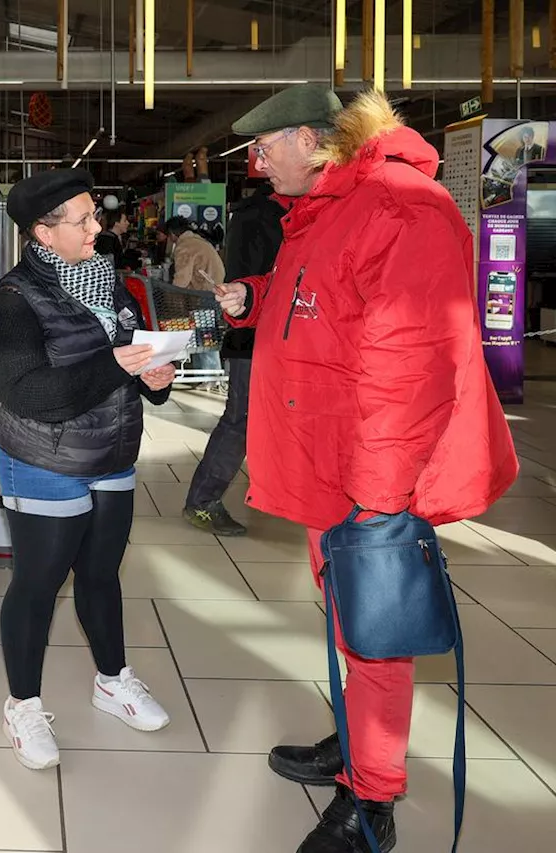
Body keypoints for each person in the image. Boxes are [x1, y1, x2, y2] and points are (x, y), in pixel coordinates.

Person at [215, 86, 517, 853]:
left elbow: (411, 365)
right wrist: (251, 298)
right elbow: (316, 298)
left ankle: (371, 798)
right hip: (332, 461)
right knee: (351, 620)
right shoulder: (333, 205)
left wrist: (378, 497)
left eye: (266, 145)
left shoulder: (400, 208)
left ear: (315, 141)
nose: (256, 163)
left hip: (372, 473)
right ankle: (356, 743)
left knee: (376, 631)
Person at [0, 169, 176, 772]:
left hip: (112, 453)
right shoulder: (12, 303)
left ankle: (112, 680)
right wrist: (118, 367)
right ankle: (23, 704)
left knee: (101, 574)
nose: (98, 228)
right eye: (83, 220)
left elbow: (128, 355)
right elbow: (32, 395)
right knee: (38, 585)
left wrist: (154, 379)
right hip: (44, 461)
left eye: (95, 215)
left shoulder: (108, 281)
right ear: (42, 232)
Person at [182, 181, 289, 536]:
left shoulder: (253, 215)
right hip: (255, 336)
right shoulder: (266, 216)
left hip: (259, 334)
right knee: (240, 419)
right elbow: (258, 281)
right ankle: (202, 501)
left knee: (247, 419)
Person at [161, 215, 224, 290]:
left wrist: (171, 296)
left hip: (206, 289)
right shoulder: (195, 239)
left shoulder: (184, 246)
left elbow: (182, 279)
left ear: (172, 234)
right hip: (215, 283)